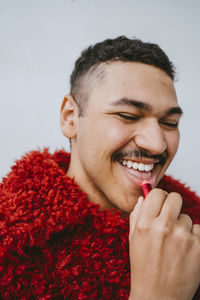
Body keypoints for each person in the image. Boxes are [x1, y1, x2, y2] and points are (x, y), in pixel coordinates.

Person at [0, 36, 200, 299]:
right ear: (71, 118)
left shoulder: (192, 229)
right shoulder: (11, 248)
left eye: (170, 122)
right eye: (127, 116)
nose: (156, 144)